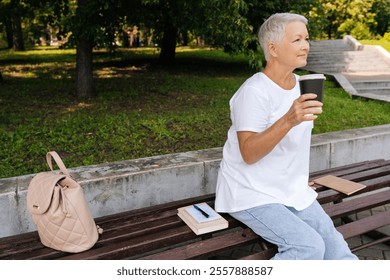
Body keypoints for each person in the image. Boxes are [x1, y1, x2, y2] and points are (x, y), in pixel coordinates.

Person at [214, 13, 358, 260]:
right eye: (297, 39)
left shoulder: (302, 85)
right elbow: (248, 152)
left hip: (290, 190)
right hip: (250, 192)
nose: (306, 45)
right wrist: (289, 119)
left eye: (307, 38)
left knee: (337, 250)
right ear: (273, 48)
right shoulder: (254, 92)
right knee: (309, 248)